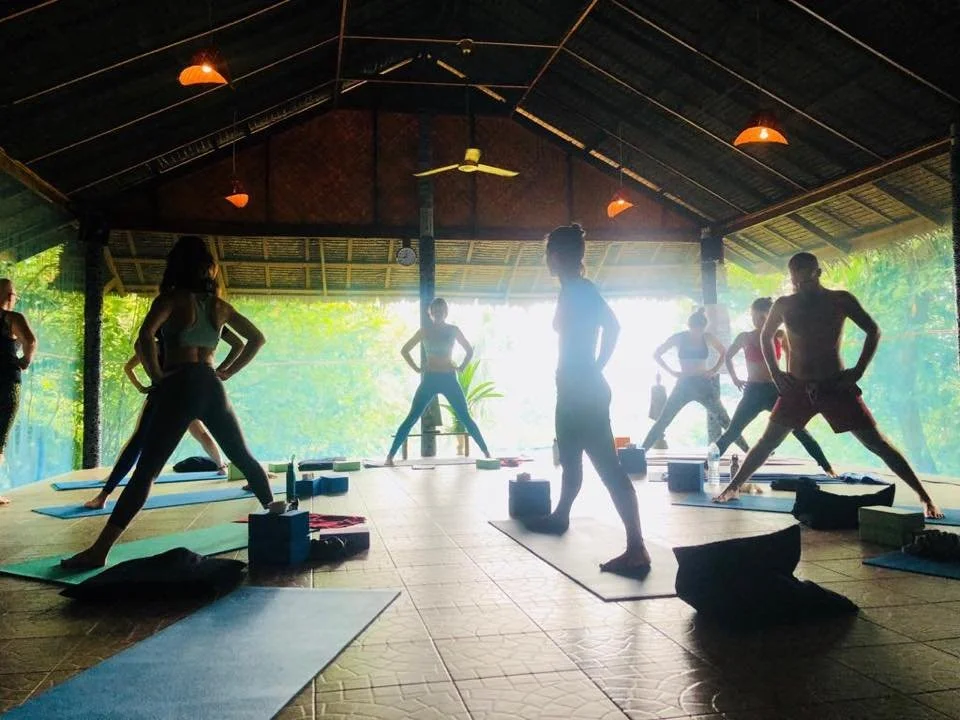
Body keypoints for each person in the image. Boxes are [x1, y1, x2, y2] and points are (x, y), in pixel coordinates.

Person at [62, 236, 279, 569]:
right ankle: (279, 521)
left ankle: (99, 551)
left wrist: (157, 375)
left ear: (175, 266)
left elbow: (145, 337)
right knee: (244, 458)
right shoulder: (219, 306)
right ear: (207, 268)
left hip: (179, 382)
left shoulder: (172, 299)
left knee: (146, 471)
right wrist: (225, 372)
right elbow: (257, 339)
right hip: (211, 385)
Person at [714, 252, 942, 519]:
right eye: (796, 275)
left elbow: (873, 330)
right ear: (791, 277)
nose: (801, 279)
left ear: (818, 272)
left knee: (876, 443)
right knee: (767, 441)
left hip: (835, 386)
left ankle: (925, 496)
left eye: (806, 273)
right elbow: (765, 337)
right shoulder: (785, 305)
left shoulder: (840, 300)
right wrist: (776, 374)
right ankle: (734, 487)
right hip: (797, 387)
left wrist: (858, 370)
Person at [527, 224, 650, 573]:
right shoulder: (571, 290)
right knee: (570, 460)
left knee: (608, 469)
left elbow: (613, 327)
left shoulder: (580, 289)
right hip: (573, 389)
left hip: (584, 390)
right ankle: (561, 516)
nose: (546, 259)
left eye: (549, 253)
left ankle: (637, 548)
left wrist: (596, 365)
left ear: (558, 256)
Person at [80, 326, 245, 510]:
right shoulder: (181, 329)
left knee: (205, 436)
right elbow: (139, 347)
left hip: (184, 393)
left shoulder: (208, 320)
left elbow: (241, 344)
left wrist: (222, 371)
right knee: (140, 443)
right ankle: (104, 495)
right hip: (176, 393)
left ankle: (233, 469)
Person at [713, 297, 835, 475]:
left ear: (770, 317)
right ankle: (706, 466)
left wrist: (790, 378)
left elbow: (792, 357)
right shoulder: (745, 337)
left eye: (762, 318)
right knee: (732, 431)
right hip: (753, 392)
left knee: (799, 428)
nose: (758, 321)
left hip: (774, 390)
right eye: (754, 317)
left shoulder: (779, 335)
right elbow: (728, 356)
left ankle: (827, 467)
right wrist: (735, 379)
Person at [384, 297, 492, 466]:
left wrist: (462, 366)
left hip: (449, 379)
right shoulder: (424, 331)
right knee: (412, 417)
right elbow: (405, 350)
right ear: (431, 313)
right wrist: (417, 368)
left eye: (441, 310)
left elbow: (469, 350)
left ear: (446, 312)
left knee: (465, 417)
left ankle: (487, 453)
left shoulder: (453, 330)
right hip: (430, 379)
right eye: (435, 310)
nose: (438, 313)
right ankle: (390, 456)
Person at [639, 309, 748, 453]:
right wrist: (672, 372)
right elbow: (657, 354)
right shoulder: (679, 337)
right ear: (689, 326)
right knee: (663, 420)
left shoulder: (707, 337)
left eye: (700, 329)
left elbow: (724, 352)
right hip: (683, 384)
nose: (697, 331)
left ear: (704, 327)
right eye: (694, 328)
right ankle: (640, 452)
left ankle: (747, 450)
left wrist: (713, 370)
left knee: (724, 420)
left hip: (704, 384)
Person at [0, 279, 36, 507]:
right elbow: (31, 341)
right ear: (9, 295)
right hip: (6, 383)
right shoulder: (11, 318)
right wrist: (25, 361)